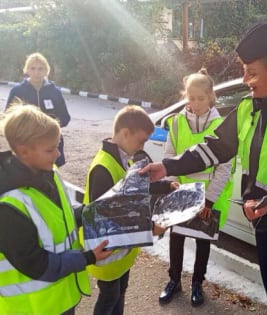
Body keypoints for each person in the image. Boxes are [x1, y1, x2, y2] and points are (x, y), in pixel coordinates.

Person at [140, 22, 267, 315]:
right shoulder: (248, 108)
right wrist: (167, 166)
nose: (245, 79)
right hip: (263, 219)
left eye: (252, 72)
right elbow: (214, 148)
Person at [0, 104, 112, 315]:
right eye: (50, 149)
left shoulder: (49, 173)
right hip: (34, 308)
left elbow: (64, 217)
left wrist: (96, 212)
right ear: (24, 151)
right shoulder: (8, 206)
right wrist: (87, 258)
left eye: (58, 145)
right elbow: (37, 264)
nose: (58, 153)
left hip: (61, 299)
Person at [83, 105, 177, 315]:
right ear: (125, 133)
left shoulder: (125, 158)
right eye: (141, 140)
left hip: (122, 253)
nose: (142, 145)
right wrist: (151, 227)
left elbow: (136, 188)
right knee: (109, 298)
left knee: (120, 293)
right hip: (107, 253)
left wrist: (165, 185)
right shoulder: (103, 168)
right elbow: (107, 217)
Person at [158, 69, 233, 307]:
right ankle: (174, 280)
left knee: (202, 241)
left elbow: (224, 168)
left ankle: (197, 283)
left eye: (201, 98)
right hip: (181, 191)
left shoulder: (222, 126)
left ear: (211, 97)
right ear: (185, 97)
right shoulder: (177, 123)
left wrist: (209, 200)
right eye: (191, 98)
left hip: (207, 196)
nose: (196, 103)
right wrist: (175, 183)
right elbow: (169, 156)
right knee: (176, 238)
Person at [5, 52, 71, 167]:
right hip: (26, 145)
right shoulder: (17, 91)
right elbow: (8, 118)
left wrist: (48, 127)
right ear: (27, 70)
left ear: (46, 70)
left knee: (50, 179)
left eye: (40, 69)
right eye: (33, 68)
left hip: (50, 145)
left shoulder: (55, 92)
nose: (36, 72)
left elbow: (65, 117)